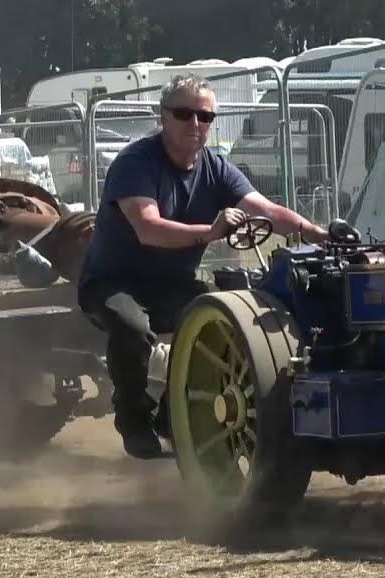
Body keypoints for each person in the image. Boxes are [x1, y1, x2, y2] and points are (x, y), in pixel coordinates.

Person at [78, 73, 330, 459]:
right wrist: (211, 232)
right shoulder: (135, 163)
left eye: (205, 116)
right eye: (184, 114)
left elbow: (265, 210)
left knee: (225, 324)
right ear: (162, 116)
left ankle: (174, 417)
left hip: (173, 285)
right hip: (111, 283)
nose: (195, 124)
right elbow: (149, 229)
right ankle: (134, 422)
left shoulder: (216, 168)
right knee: (133, 329)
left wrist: (318, 234)